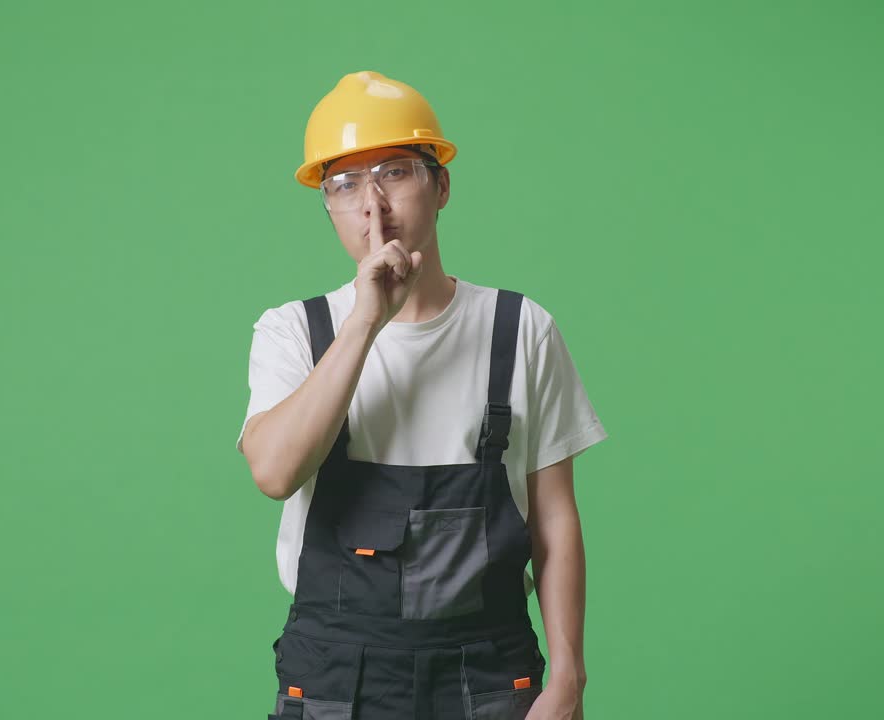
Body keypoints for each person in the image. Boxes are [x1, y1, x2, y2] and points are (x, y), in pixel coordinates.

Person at [238, 70, 607, 720]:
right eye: (344, 185)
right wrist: (364, 323)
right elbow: (273, 471)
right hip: (336, 683)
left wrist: (568, 682)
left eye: (395, 172)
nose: (371, 206)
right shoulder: (295, 332)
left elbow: (554, 519)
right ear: (327, 206)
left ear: (441, 186)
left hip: (492, 681)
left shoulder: (519, 330)